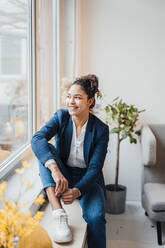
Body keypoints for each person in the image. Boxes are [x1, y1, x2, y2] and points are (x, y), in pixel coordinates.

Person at [31, 74, 109, 248]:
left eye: (77, 97)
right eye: (69, 96)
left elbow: (95, 168)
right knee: (46, 151)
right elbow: (37, 139)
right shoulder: (61, 117)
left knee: (96, 217)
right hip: (63, 173)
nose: (71, 102)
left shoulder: (101, 130)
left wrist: (76, 191)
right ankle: (58, 213)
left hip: (88, 180)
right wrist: (55, 170)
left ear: (90, 101)